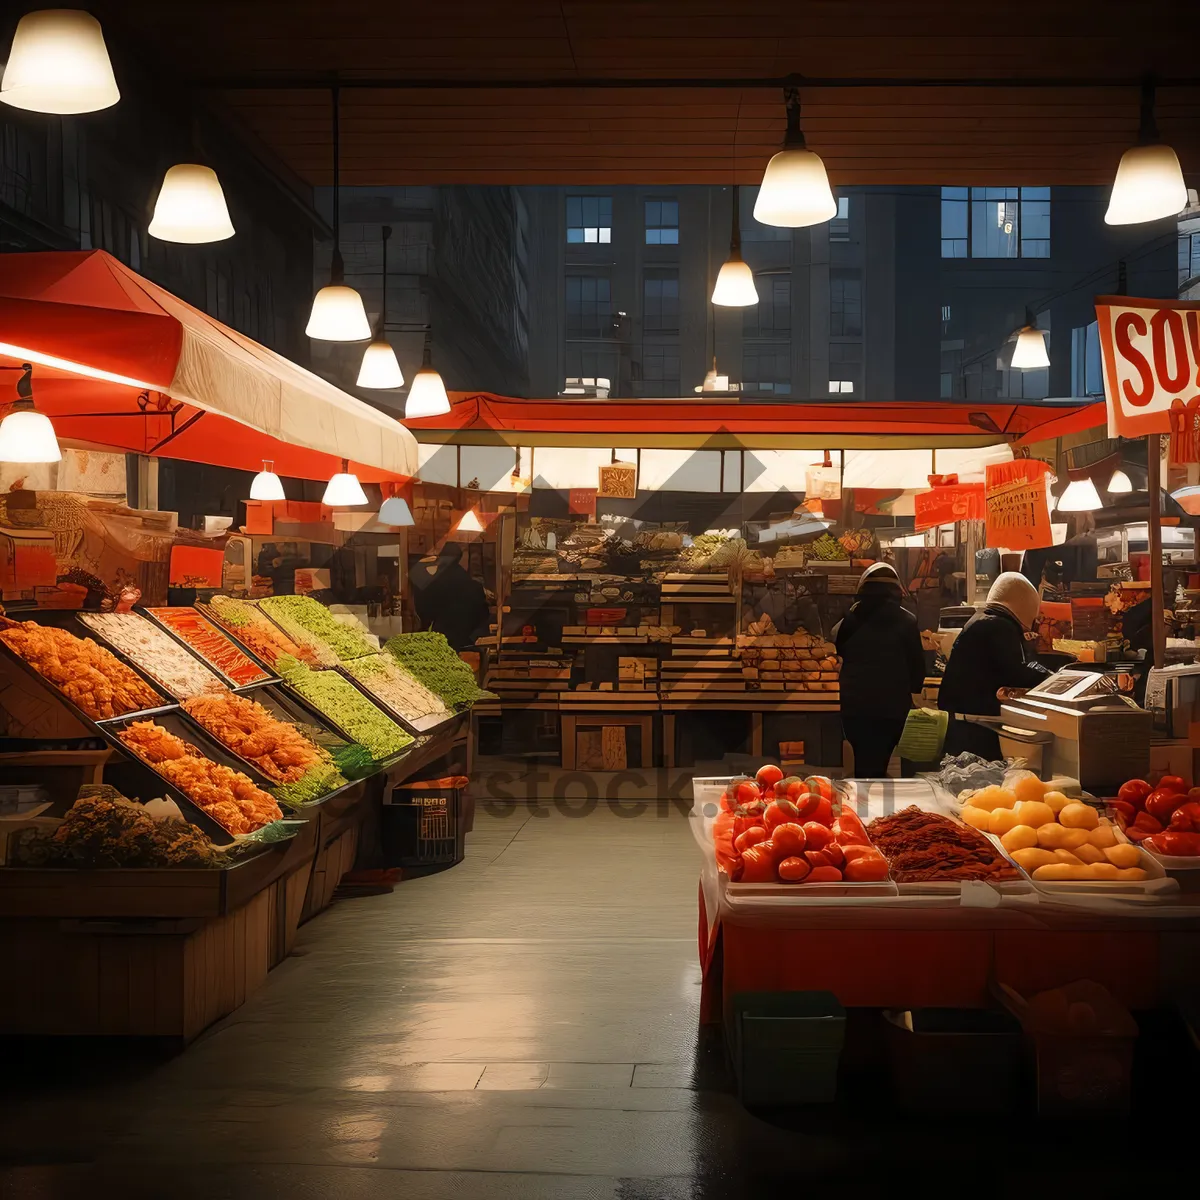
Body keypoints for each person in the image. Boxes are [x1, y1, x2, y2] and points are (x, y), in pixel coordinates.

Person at [938, 571, 1053, 760]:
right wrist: (1052, 678)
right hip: (975, 727)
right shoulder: (999, 626)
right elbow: (1016, 671)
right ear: (1025, 608)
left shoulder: (982, 619)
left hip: (962, 722)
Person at [834, 562, 926, 778]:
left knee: (863, 761)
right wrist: (914, 688)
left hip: (856, 707)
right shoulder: (908, 620)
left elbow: (838, 651)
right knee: (884, 760)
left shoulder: (849, 619)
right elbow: (917, 667)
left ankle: (863, 804)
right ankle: (883, 806)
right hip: (893, 709)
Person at [410, 542, 490, 650]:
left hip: (440, 639)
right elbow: (483, 615)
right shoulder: (471, 585)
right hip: (465, 640)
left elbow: (424, 611)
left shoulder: (432, 582)